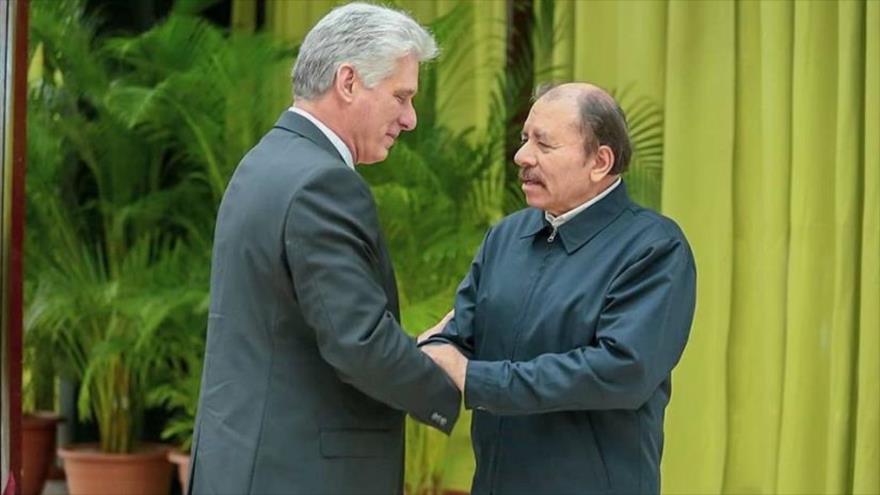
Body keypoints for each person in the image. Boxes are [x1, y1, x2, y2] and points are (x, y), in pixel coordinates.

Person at [188, 4, 461, 494]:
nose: (410, 118)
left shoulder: (264, 161)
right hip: (300, 475)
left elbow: (312, 325)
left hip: (248, 465)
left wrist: (408, 351)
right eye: (400, 96)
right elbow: (357, 343)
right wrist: (446, 375)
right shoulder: (323, 183)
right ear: (348, 81)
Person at [420, 82, 697, 495]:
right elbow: (455, 335)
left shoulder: (654, 248)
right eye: (524, 139)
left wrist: (476, 377)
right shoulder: (507, 236)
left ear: (600, 162)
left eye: (544, 144)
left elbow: (621, 370)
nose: (522, 156)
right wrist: (430, 350)